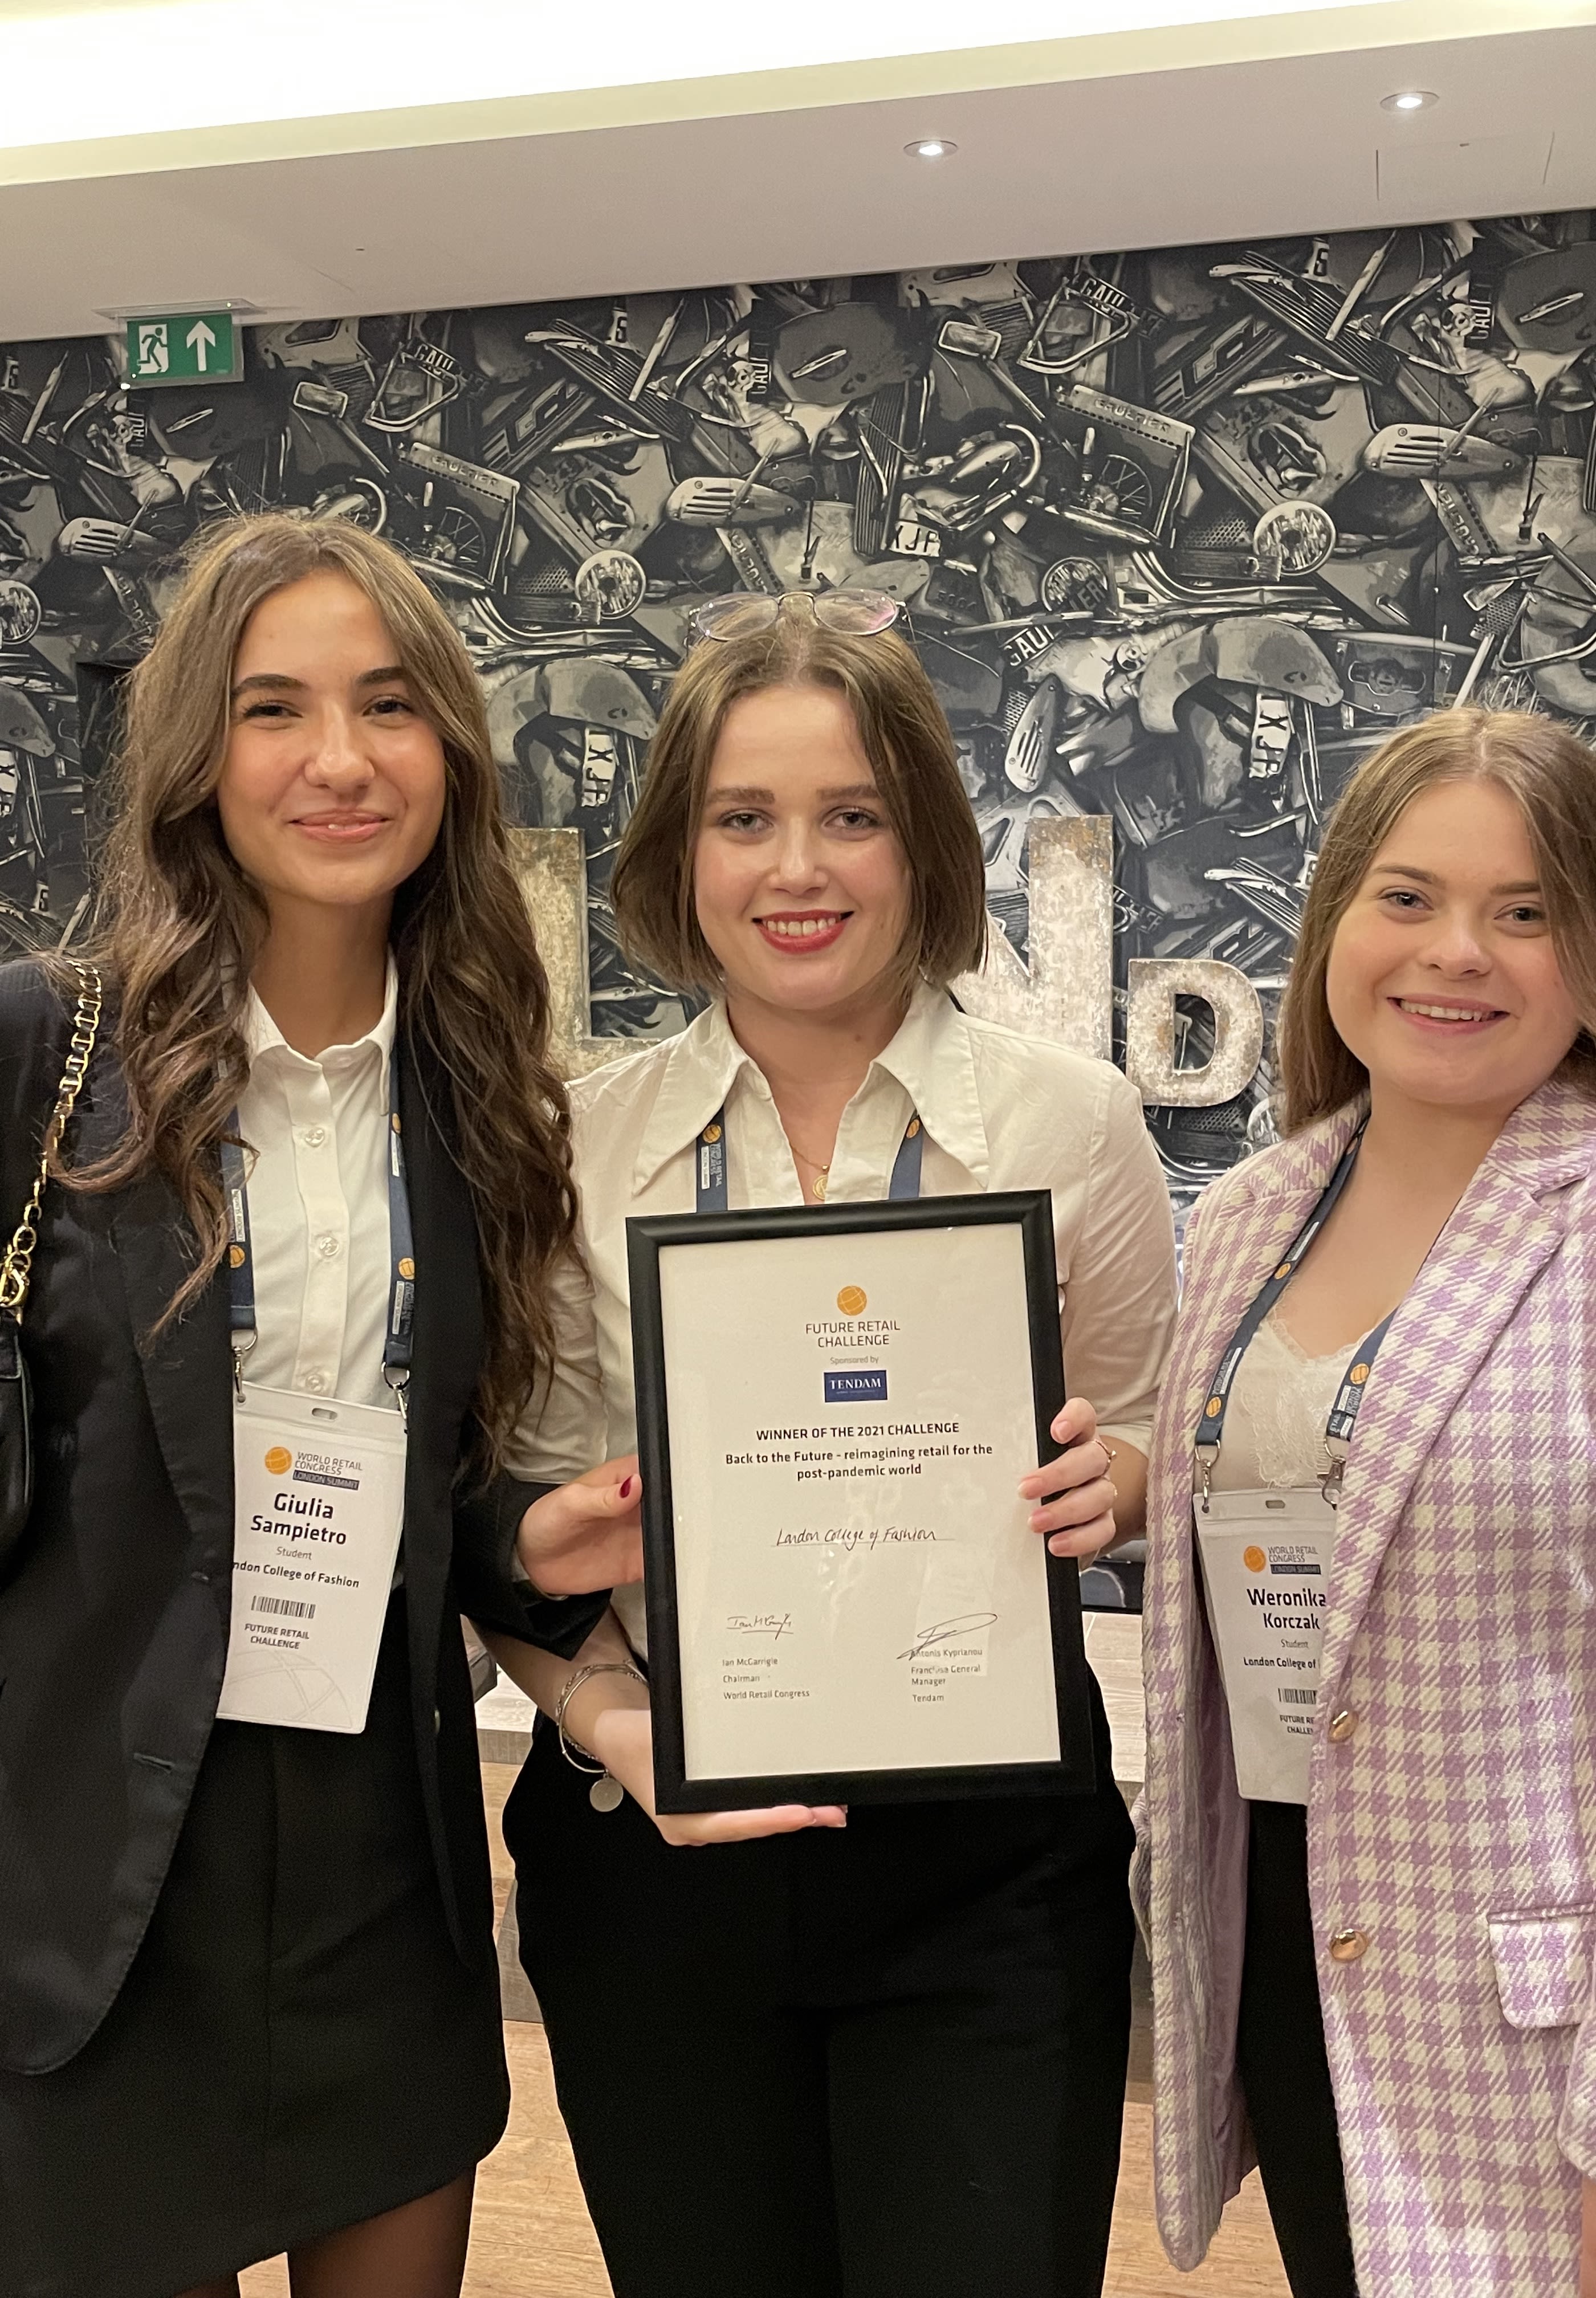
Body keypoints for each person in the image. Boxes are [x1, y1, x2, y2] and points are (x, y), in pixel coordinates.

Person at [486, 588, 1179, 2298]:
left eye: (851, 815)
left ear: (923, 840)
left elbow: (1166, 1436)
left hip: (988, 1866)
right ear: (680, 851)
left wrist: (1130, 1479)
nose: (800, 869)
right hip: (657, 1837)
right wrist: (594, 1706)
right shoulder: (575, 1141)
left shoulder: (1069, 1123)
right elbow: (501, 1528)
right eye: (746, 818)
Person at [0, 514, 626, 2298]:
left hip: (379, 1861)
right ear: (197, 756)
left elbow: (449, 1491)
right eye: (275, 709)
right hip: (89, 1883)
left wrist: (533, 1535)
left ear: (451, 749)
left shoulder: (488, 1098)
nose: (340, 761)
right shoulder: (44, 1051)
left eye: (389, 706)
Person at [1134, 707, 1596, 2298]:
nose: (1454, 952)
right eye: (1406, 898)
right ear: (1334, 920)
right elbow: (1314, 1507)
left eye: (1524, 911)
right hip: (1302, 1967)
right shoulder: (1259, 1209)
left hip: (1558, 2049)